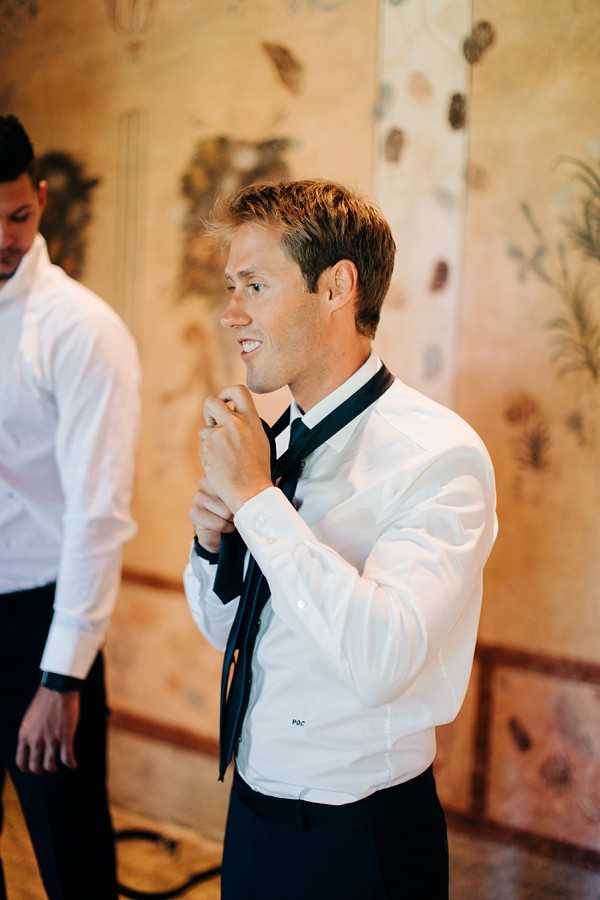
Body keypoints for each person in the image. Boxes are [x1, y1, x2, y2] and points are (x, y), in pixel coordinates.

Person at [184, 179, 497, 900]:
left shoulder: (437, 456)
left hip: (361, 839)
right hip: (254, 808)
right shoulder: (275, 444)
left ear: (336, 287)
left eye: (255, 285)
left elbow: (382, 659)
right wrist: (211, 545)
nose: (231, 313)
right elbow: (233, 634)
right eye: (232, 287)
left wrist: (257, 502)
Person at [0, 115, 140, 899]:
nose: (5, 238)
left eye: (18, 215)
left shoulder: (82, 330)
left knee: (72, 861)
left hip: (40, 622)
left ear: (43, 200)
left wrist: (60, 679)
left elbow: (98, 512)